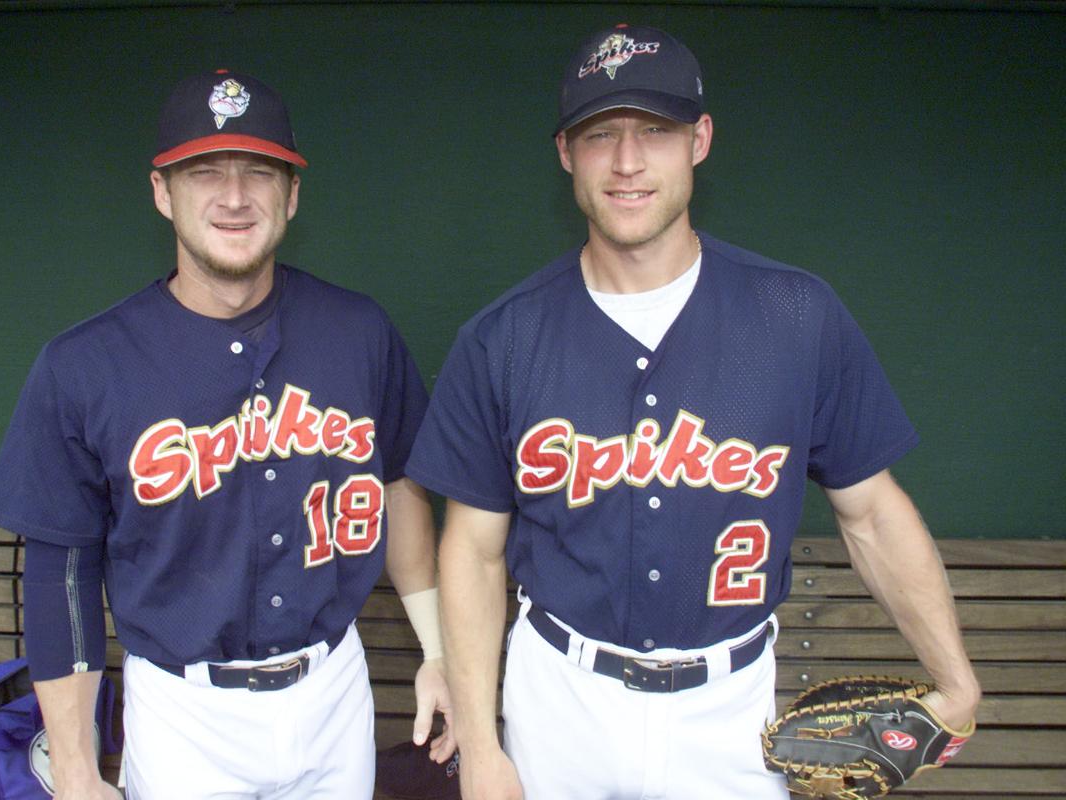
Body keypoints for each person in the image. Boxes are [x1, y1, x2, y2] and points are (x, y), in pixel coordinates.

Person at [405, 24, 980, 800]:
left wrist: (957, 681)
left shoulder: (796, 316)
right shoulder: (502, 339)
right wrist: (480, 744)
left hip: (733, 712)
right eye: (600, 133)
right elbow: (472, 549)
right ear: (566, 153)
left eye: (656, 131)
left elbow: (872, 512)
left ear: (700, 140)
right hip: (559, 702)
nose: (628, 161)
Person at [0, 69, 454, 799]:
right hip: (182, 712)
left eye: (259, 171)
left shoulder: (359, 332)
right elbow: (62, 573)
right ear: (162, 192)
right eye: (204, 172)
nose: (234, 197)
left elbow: (397, 489)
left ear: (291, 195)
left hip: (332, 687)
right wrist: (76, 769)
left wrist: (439, 650)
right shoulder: (84, 366)